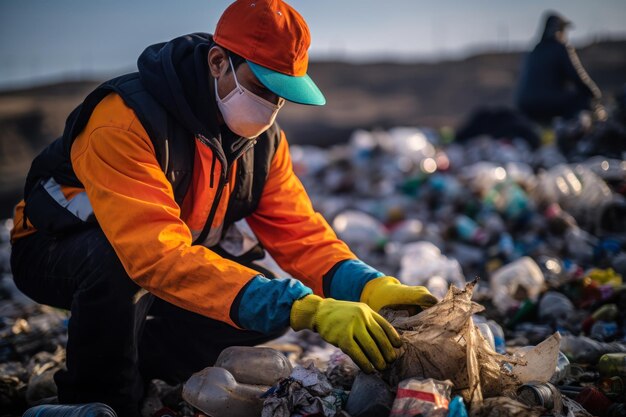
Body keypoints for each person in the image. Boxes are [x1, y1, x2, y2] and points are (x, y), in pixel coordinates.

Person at [10, 0, 437, 415]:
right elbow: (152, 255)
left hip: (167, 252)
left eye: (281, 96)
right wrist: (303, 306)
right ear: (218, 62)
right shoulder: (125, 119)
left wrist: (368, 286)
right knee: (120, 267)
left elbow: (299, 232)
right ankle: (98, 399)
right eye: (261, 88)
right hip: (57, 248)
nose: (270, 107)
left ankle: (148, 373)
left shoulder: (263, 144)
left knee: (264, 308)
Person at [514, 11, 603, 124]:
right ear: (560, 30)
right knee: (584, 100)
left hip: (524, 103)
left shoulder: (535, 49)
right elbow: (577, 76)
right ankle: (572, 133)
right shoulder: (560, 48)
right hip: (547, 102)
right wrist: (594, 93)